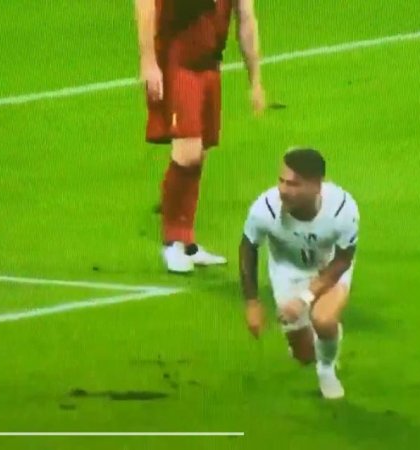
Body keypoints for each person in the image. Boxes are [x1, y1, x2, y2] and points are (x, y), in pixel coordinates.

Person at [134, 0, 266, 273]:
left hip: (209, 65)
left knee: (199, 154)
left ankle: (188, 242)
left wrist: (255, 81)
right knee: (188, 153)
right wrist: (148, 62)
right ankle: (172, 242)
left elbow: (246, 21)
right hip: (177, 64)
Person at [239, 147, 359, 399]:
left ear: (316, 185)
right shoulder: (265, 208)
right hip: (287, 271)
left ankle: (327, 370)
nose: (283, 190)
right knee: (304, 355)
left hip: (329, 270)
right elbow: (248, 248)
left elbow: (342, 260)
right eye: (281, 181)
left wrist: (304, 299)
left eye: (294, 184)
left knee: (323, 319)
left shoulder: (342, 209)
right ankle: (324, 344)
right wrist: (252, 302)